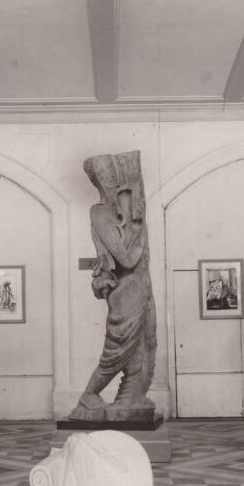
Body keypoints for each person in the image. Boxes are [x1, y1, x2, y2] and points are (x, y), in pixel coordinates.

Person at [69, 151, 157, 422]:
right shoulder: (99, 213)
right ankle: (89, 395)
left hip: (140, 286)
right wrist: (136, 228)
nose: (108, 179)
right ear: (95, 180)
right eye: (102, 175)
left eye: (111, 173)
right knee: (117, 349)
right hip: (125, 290)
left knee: (143, 346)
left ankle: (129, 397)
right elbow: (127, 258)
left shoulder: (125, 209)